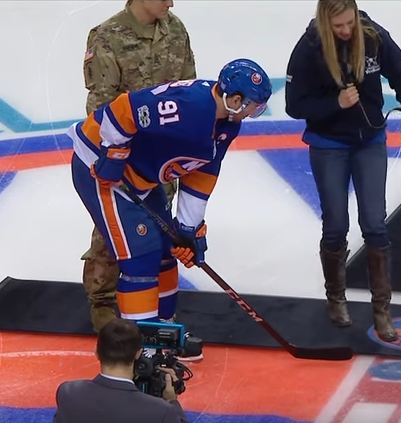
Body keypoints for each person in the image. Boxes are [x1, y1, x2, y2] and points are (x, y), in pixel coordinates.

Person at [69, 59, 272, 349]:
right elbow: (122, 110)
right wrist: (113, 154)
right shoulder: (189, 108)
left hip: (140, 178)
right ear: (235, 99)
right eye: (255, 107)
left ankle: (163, 335)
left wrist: (188, 228)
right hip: (99, 169)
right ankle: (141, 349)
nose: (255, 113)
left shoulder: (227, 124)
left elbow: (203, 172)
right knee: (140, 257)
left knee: (166, 249)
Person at [285, 0, 401, 342]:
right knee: (335, 224)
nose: (346, 31)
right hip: (328, 144)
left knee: (375, 223)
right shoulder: (309, 48)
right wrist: (335, 103)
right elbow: (294, 104)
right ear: (325, 22)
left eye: (349, 23)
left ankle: (382, 309)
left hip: (370, 140)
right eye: (338, 26)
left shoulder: (374, 36)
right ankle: (336, 298)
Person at [82, 0, 196, 333]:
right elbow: (100, 105)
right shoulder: (107, 36)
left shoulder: (175, 30)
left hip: (162, 159)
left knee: (158, 227)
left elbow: (187, 89)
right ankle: (102, 302)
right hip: (123, 158)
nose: (171, 2)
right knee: (110, 230)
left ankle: (153, 304)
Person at [54, 318, 187, 423]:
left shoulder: (68, 393)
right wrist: (172, 401)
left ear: (96, 352)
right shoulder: (162, 411)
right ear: (138, 353)